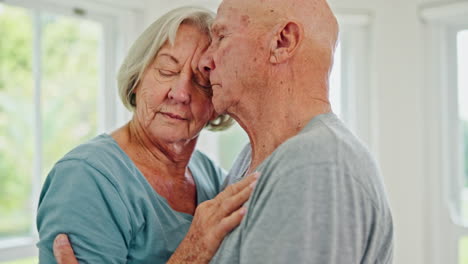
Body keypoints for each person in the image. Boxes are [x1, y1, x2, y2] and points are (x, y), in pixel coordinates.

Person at [54, 0, 394, 263]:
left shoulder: (313, 165)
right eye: (167, 69)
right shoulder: (248, 162)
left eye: (222, 36)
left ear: (282, 40)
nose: (207, 61)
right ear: (137, 77)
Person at [37, 6, 258, 264]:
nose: (180, 93)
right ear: (137, 78)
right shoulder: (86, 178)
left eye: (201, 82)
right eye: (167, 71)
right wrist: (194, 249)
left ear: (215, 102)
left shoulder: (208, 175)